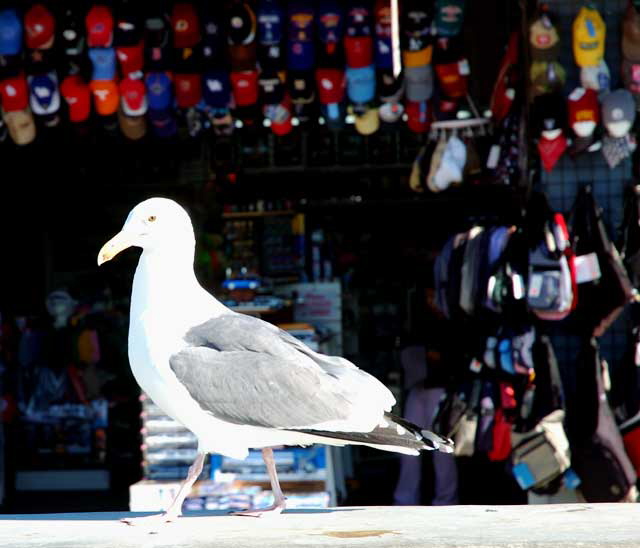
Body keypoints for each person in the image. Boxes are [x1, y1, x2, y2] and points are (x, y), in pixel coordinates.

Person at [393, 286, 458, 505]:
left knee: (441, 448)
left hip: (440, 390)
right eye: (428, 295)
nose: (432, 300)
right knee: (408, 443)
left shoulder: (450, 319)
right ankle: (405, 499)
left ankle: (446, 499)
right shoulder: (417, 320)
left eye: (434, 295)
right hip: (417, 387)